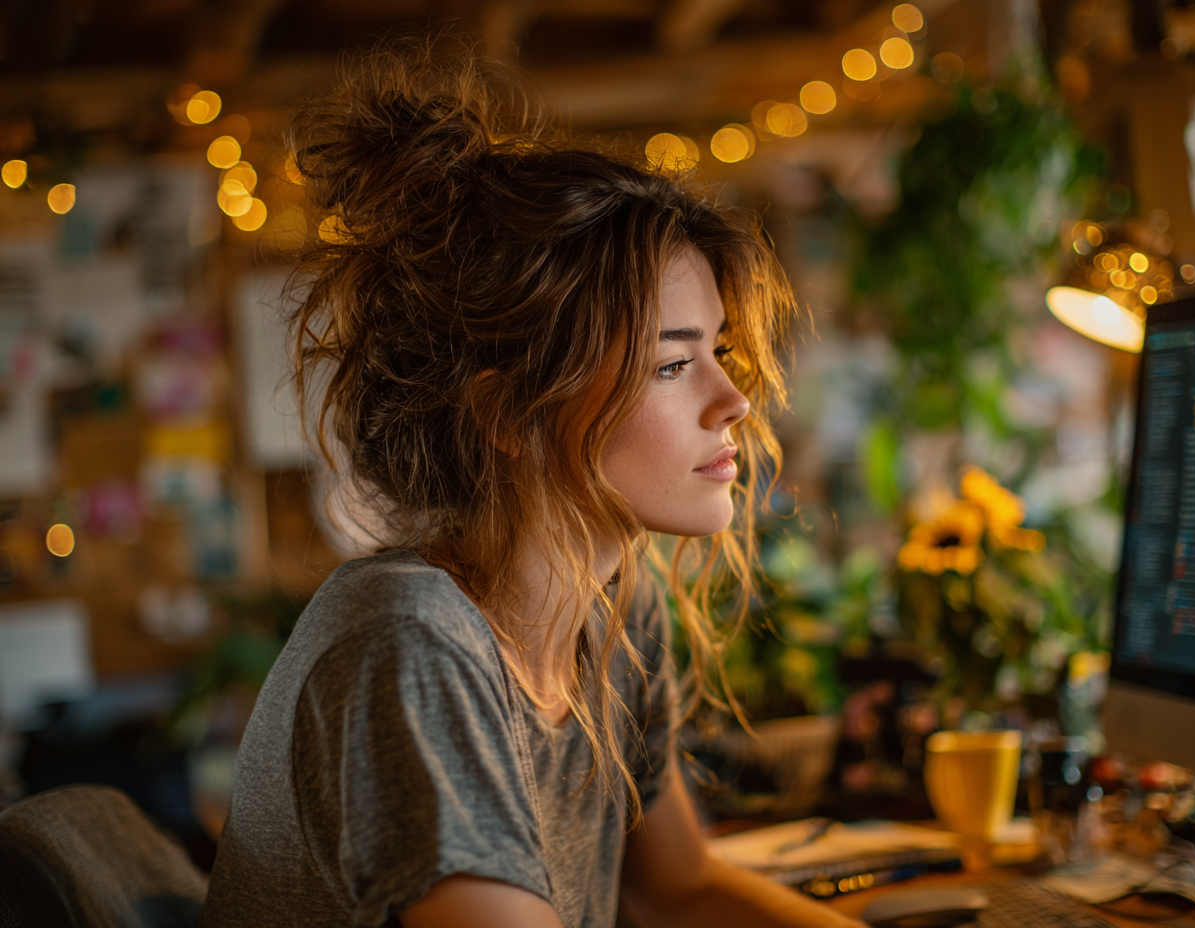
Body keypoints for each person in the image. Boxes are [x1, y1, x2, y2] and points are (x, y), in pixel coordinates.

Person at [200, 37, 864, 928]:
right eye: (671, 367)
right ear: (506, 412)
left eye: (721, 353)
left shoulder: (614, 613)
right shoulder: (412, 645)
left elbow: (678, 890)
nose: (734, 401)